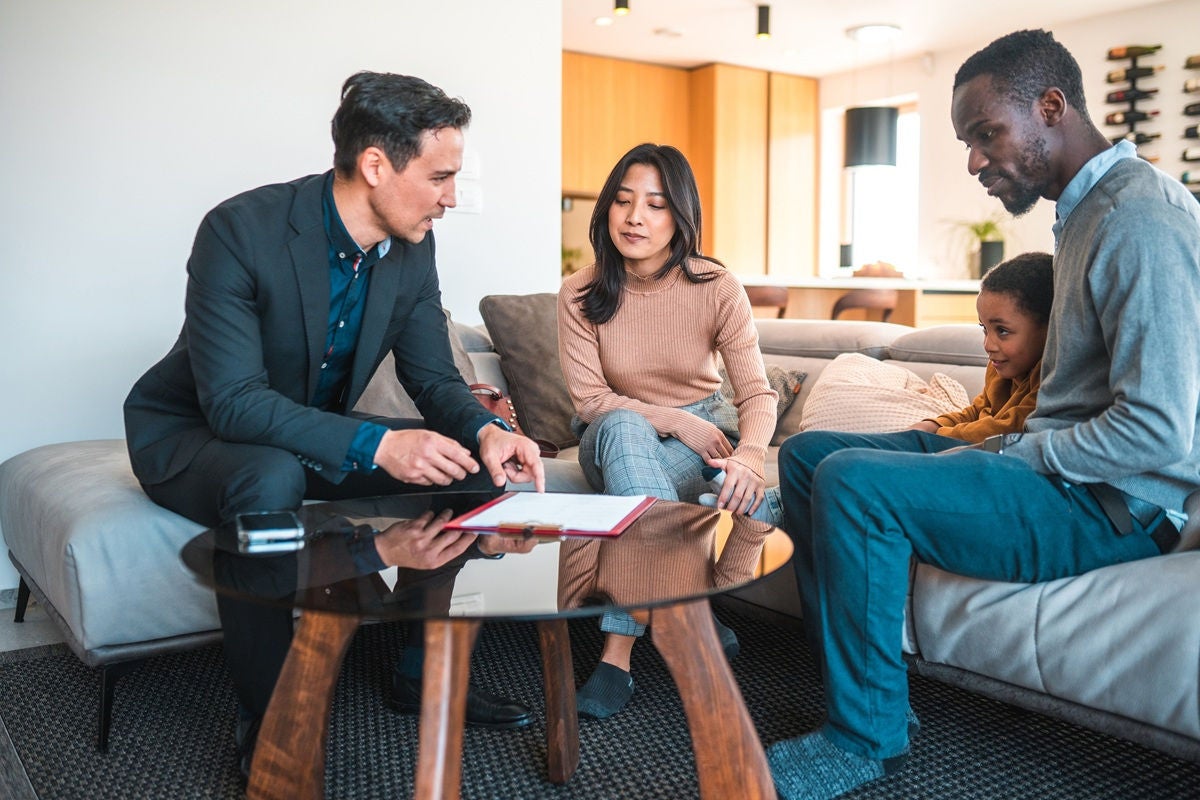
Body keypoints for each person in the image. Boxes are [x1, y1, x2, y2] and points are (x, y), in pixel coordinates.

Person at [766, 29, 1200, 800]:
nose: (973, 161)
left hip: (1110, 507)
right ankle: (867, 681)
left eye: (985, 134)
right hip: (1059, 476)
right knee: (806, 456)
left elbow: (1159, 430)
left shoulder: (1141, 218)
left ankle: (867, 736)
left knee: (853, 483)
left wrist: (1014, 455)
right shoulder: (1084, 213)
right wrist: (1007, 444)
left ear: (1052, 107)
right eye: (969, 141)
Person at [123, 71, 545, 777]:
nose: (451, 196)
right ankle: (271, 716)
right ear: (376, 165)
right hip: (194, 431)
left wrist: (485, 432)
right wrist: (378, 440)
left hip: (304, 424)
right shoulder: (241, 229)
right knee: (269, 471)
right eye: (440, 176)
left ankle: (419, 669)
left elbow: (434, 378)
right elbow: (231, 401)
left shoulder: (412, 248)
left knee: (469, 470)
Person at [557, 142, 779, 719]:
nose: (635, 217)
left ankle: (616, 658)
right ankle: (692, 612)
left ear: (681, 216)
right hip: (609, 431)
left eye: (655, 205)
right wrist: (675, 418)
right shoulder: (579, 293)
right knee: (628, 429)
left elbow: (755, 391)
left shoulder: (716, 286)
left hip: (699, 435)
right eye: (624, 201)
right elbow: (590, 399)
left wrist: (752, 455)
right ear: (605, 209)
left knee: (646, 492)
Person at [910, 250, 1053, 441]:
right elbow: (978, 410)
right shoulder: (999, 366)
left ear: (1049, 328)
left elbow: (1013, 426)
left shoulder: (1051, 373)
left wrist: (938, 436)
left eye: (1002, 330)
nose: (988, 345)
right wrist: (932, 424)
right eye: (985, 329)